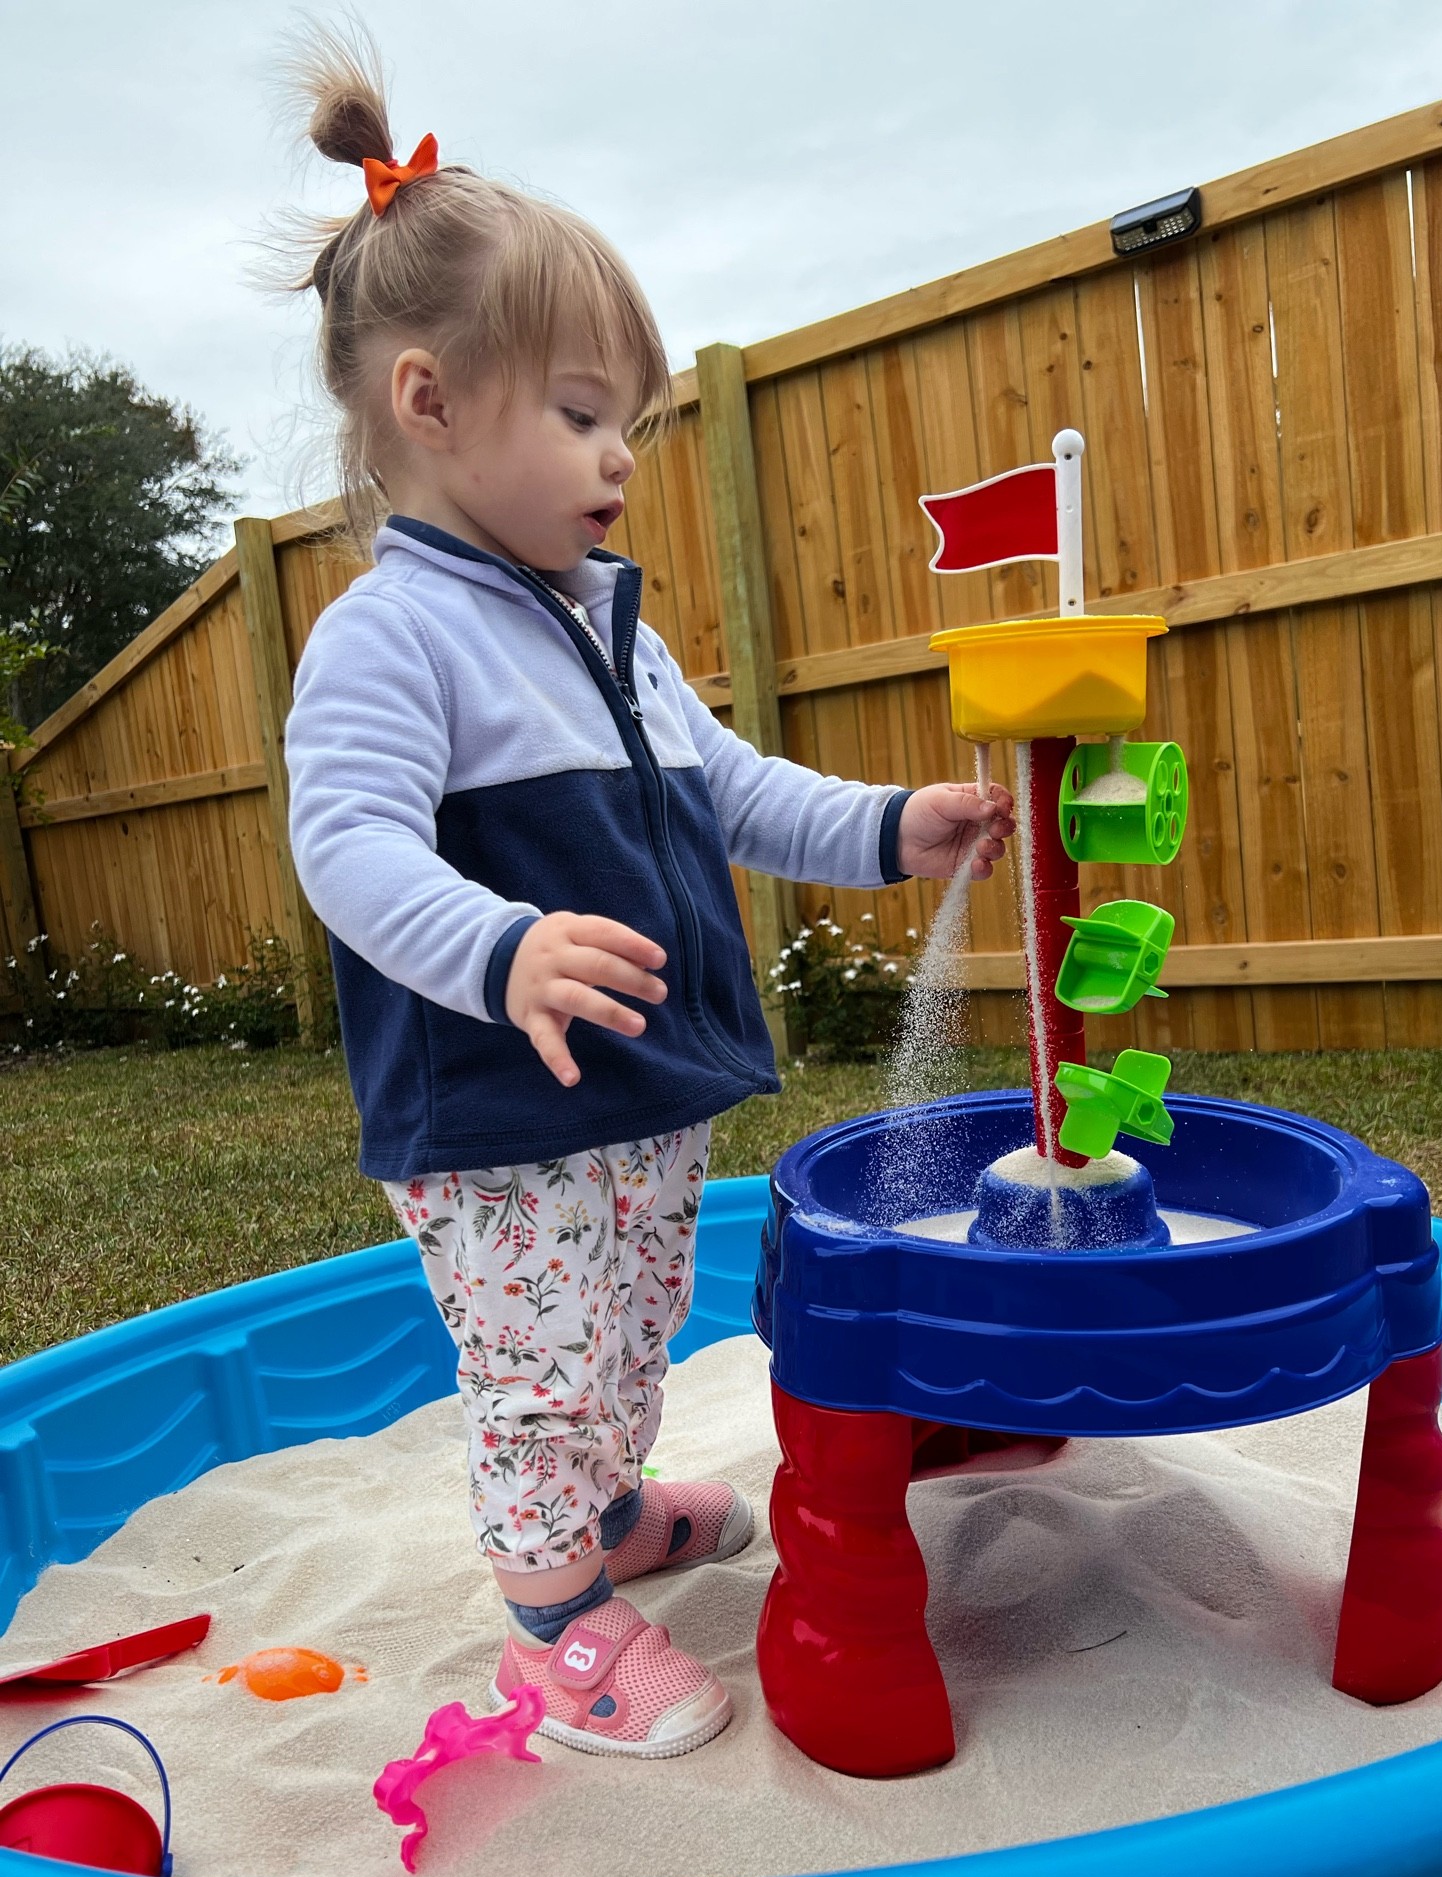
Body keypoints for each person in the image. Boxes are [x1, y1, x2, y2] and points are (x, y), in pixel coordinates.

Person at [281, 29, 1015, 1760]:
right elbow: (348, 846)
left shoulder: (611, 622)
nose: (620, 456)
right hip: (501, 1101)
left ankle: (605, 1517)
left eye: (629, 421)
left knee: (628, 1331)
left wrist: (894, 826)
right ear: (430, 403)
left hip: (640, 1082)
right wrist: (502, 948)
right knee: (541, 1367)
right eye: (581, 415)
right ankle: (553, 1625)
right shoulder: (393, 635)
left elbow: (733, 790)